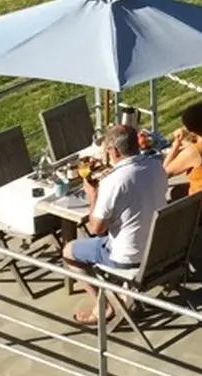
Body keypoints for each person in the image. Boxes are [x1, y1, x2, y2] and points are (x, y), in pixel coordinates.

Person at [63, 123, 167, 324]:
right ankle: (121, 294)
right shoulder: (156, 166)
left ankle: (103, 306)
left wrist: (93, 195)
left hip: (129, 258)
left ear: (114, 151)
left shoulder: (114, 182)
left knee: (69, 251)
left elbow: (95, 229)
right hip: (159, 250)